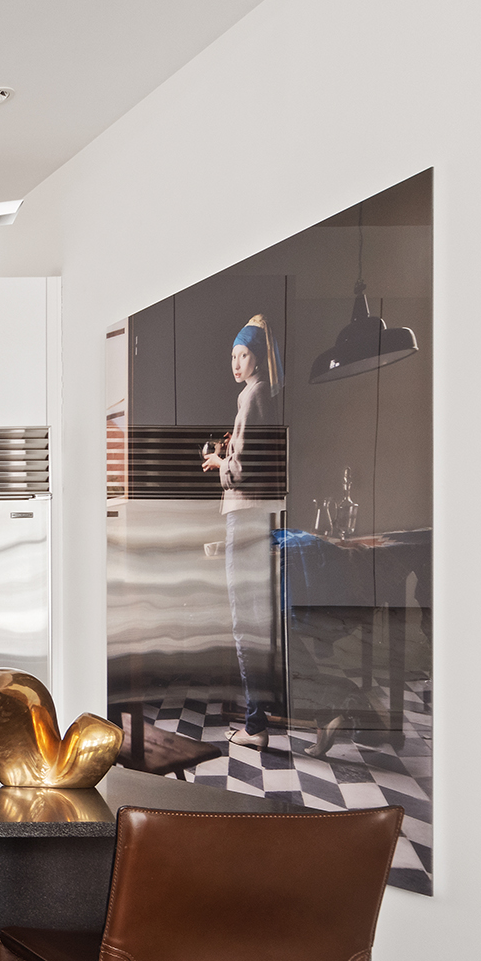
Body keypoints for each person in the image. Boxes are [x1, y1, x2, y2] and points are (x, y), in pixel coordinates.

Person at [199, 316, 277, 748]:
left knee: (241, 617)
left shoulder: (251, 397)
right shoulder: (263, 394)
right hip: (258, 517)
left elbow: (243, 471)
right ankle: (256, 719)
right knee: (254, 616)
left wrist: (217, 463)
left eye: (243, 354)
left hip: (244, 516)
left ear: (258, 357)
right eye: (232, 355)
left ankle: (255, 725)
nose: (236, 362)